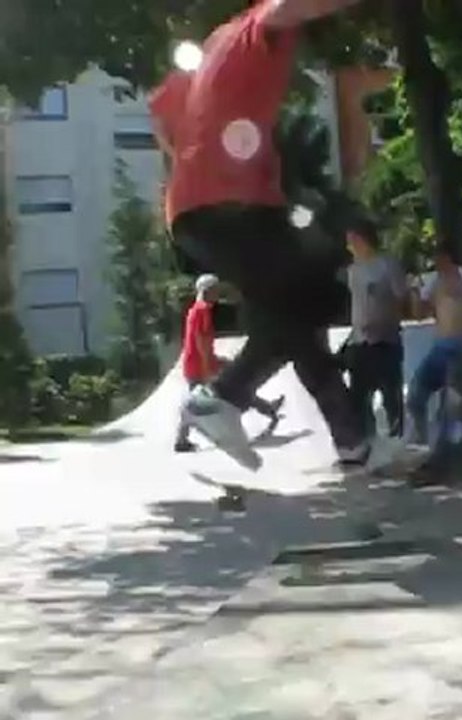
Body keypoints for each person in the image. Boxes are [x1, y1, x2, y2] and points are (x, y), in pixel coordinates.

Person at [150, 0, 369, 470]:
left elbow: (161, 113)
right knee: (308, 297)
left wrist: (193, 163)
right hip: (233, 208)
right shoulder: (255, 24)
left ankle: (352, 441)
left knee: (291, 316)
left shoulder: (209, 48)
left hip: (194, 211)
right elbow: (288, 8)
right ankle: (221, 398)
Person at [174, 274, 285, 453]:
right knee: (226, 392)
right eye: (216, 290)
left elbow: (200, 343)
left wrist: (216, 361)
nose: (218, 293)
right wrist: (207, 368)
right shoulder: (202, 310)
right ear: (208, 291)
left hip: (199, 363)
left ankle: (266, 407)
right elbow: (201, 340)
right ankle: (184, 439)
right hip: (199, 366)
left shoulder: (197, 309)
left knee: (236, 382)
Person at [406, 240, 462, 446]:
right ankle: (421, 435)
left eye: (440, 257)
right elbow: (419, 315)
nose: (437, 262)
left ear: (448, 257)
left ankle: (451, 443)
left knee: (451, 400)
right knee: (416, 393)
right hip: (442, 345)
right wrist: (415, 292)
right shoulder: (432, 281)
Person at [341, 216, 406, 439]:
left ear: (362, 238)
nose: (349, 245)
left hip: (385, 339)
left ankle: (396, 440)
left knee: (391, 395)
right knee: (359, 397)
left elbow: (401, 299)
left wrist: (384, 304)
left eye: (352, 239)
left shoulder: (387, 264)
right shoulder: (353, 270)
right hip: (360, 340)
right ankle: (366, 441)